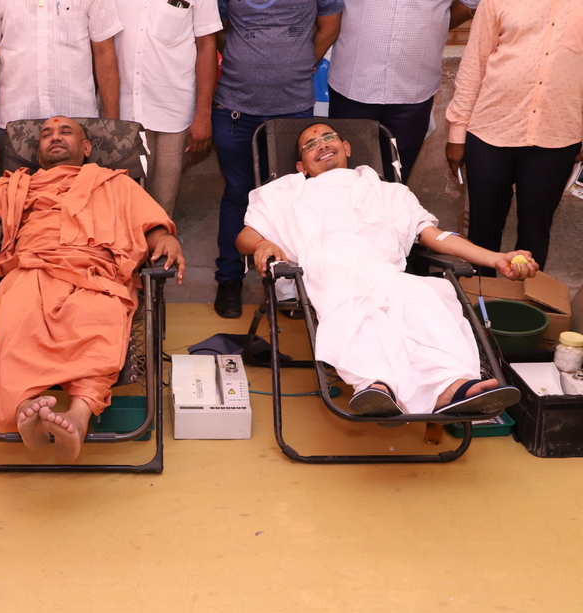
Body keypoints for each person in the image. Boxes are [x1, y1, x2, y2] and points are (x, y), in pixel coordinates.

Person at [0, 116, 184, 460]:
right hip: (32, 269)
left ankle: (78, 416)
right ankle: (24, 410)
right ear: (38, 153)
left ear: (86, 148)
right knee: (16, 318)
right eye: (46, 134)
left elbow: (150, 226)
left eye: (65, 132)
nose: (55, 137)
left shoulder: (116, 184)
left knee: (100, 315)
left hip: (96, 273)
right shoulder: (15, 187)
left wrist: (166, 239)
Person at [236, 123, 535, 417]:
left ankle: (451, 385)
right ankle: (376, 384)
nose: (322, 144)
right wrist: (262, 243)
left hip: (383, 271)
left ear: (346, 147)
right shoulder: (284, 193)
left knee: (425, 296)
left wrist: (496, 258)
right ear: (301, 166)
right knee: (350, 298)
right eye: (311, 145)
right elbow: (246, 235)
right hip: (326, 267)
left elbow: (434, 235)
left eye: (329, 137)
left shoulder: (390, 192)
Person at [211, 0, 343, 319]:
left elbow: (329, 28)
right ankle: (229, 279)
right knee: (237, 192)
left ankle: (288, 286)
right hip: (235, 107)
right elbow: (216, 30)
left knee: (293, 198)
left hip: (293, 108)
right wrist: (248, 59)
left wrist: (296, 65)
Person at [445, 0, 583, 275]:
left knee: (535, 231)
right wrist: (457, 132)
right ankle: (479, 296)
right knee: (482, 229)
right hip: (490, 129)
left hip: (557, 134)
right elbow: (474, 63)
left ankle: (527, 299)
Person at [0, 0, 122, 174]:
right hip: (14, 126)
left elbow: (104, 52)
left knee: (82, 190)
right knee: (15, 190)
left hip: (78, 124)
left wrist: (112, 125)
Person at [327, 0, 478, 181]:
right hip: (352, 84)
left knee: (396, 180)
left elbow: (470, 3)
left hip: (414, 89)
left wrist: (434, 22)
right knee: (344, 179)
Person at [113, 0, 222, 217]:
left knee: (161, 211)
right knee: (120, 209)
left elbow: (207, 45)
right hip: (121, 113)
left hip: (173, 114)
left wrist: (203, 115)